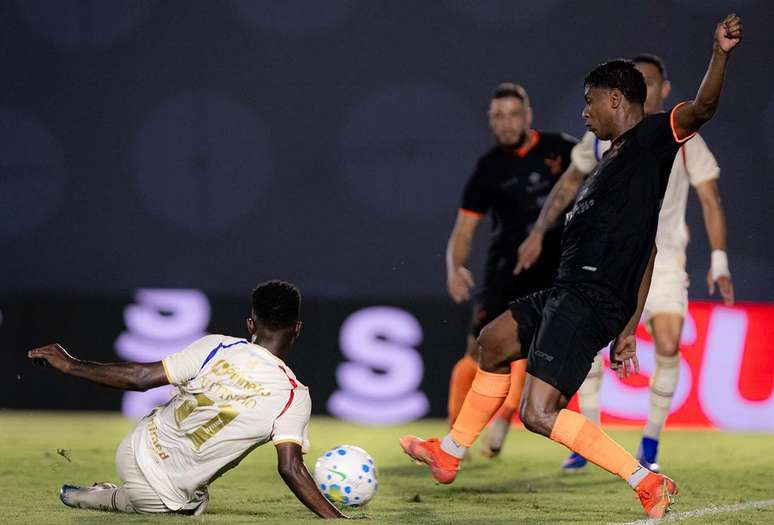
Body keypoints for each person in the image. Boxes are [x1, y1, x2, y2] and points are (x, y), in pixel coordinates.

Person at [400, 14, 742, 519]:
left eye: (589, 100)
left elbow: (703, 108)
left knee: (539, 414)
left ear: (615, 99)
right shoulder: (608, 160)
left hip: (589, 300)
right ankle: (449, 454)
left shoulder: (652, 139)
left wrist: (720, 54)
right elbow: (647, 252)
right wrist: (628, 327)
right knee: (492, 342)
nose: (583, 112)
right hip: (569, 292)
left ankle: (647, 481)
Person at [509, 54, 735, 473]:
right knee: (586, 346)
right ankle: (586, 438)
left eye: (652, 80)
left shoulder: (677, 135)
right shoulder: (602, 139)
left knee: (667, 343)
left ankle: (650, 442)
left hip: (662, 260)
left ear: (662, 88)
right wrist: (539, 231)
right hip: (609, 264)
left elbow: (710, 198)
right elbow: (569, 183)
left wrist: (718, 259)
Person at [28, 280, 347, 519]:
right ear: (298, 329)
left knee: (181, 490)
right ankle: (103, 498)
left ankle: (112, 492)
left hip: (134, 445)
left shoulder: (217, 346)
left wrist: (71, 365)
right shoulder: (293, 395)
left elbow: (139, 378)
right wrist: (338, 520)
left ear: (250, 324)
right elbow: (290, 468)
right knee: (190, 504)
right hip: (158, 493)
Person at [446, 83, 576, 456]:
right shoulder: (488, 168)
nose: (506, 122)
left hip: (555, 271)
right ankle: (455, 436)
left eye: (513, 114)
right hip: (505, 274)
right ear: (490, 121)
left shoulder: (562, 149)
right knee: (478, 350)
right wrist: (455, 267)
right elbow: (464, 228)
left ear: (528, 116)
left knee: (538, 355)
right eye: (498, 116)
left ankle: (505, 416)